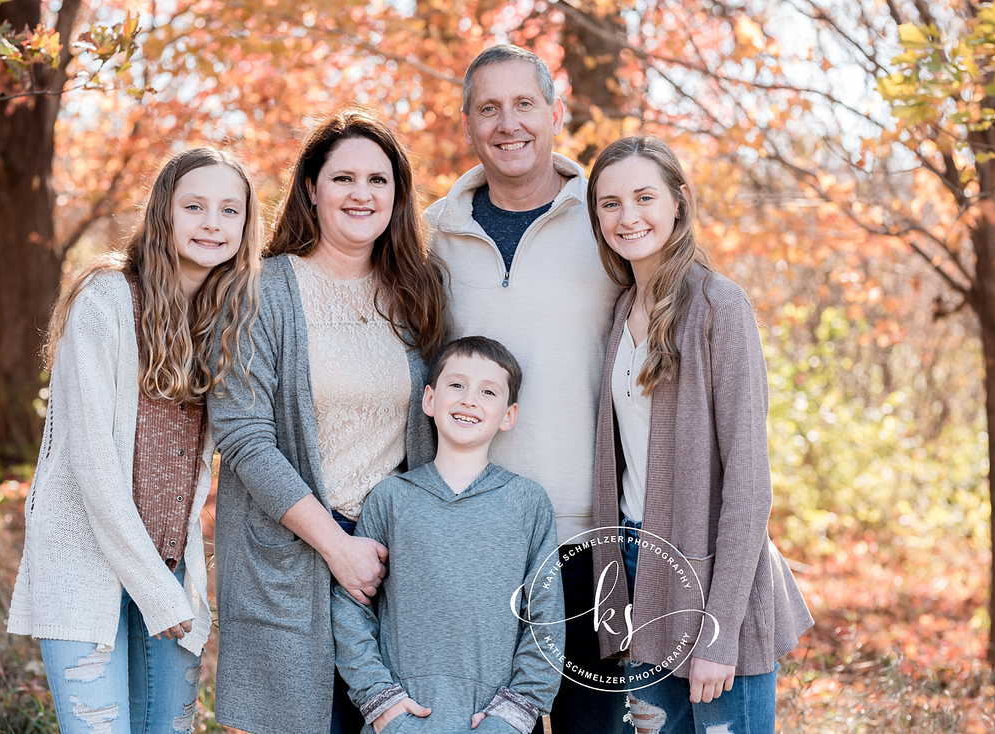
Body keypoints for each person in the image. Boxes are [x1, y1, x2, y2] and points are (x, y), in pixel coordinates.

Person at [6, 147, 263, 733]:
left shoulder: (228, 320)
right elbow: (94, 467)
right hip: (85, 562)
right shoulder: (104, 301)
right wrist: (159, 594)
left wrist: (171, 587)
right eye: (194, 206)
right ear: (163, 213)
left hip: (171, 567)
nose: (211, 224)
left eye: (230, 210)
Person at [208, 108, 447, 734]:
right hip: (294, 550)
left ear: (398, 195)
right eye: (343, 178)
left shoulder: (415, 291)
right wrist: (336, 545)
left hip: (387, 556)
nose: (361, 194)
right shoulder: (259, 288)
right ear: (311, 189)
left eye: (378, 180)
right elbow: (242, 435)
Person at [425, 44, 625, 733]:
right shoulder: (429, 238)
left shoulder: (610, 225)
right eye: (488, 108)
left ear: (555, 114)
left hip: (591, 541)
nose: (507, 124)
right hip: (470, 538)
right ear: (468, 125)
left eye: (523, 104)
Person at [585, 136, 813, 733]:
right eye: (609, 204)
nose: (627, 216)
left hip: (711, 581)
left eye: (644, 197)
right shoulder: (620, 311)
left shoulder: (720, 305)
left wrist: (719, 628)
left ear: (679, 202)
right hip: (637, 570)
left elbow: (748, 483)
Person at [331, 335, 564, 734]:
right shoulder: (391, 499)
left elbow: (546, 620)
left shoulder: (528, 503)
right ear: (428, 399)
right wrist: (381, 703)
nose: (469, 399)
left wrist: (515, 714)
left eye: (488, 391)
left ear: (509, 415)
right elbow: (351, 607)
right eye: (456, 385)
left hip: (495, 722)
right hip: (401, 718)